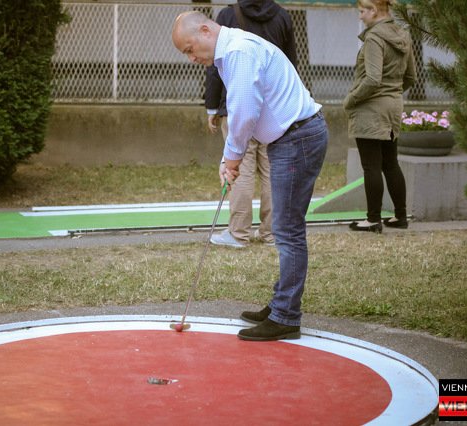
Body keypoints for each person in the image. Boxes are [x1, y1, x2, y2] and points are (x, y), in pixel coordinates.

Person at [172, 11, 328, 341]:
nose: (191, 58)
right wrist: (230, 158)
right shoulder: (230, 53)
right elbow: (243, 111)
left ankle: (286, 316)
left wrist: (232, 159)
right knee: (286, 227)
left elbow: (244, 113)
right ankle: (281, 304)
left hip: (297, 138)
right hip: (292, 137)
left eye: (190, 49)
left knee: (287, 229)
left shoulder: (238, 52)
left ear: (205, 30)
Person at [205, 0, 297, 248]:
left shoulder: (227, 15)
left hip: (237, 105)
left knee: (240, 169)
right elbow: (291, 62)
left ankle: (238, 232)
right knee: (272, 171)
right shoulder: (282, 16)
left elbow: (214, 64)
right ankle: (272, 233)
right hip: (274, 110)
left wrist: (212, 105)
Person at [343, 0, 415, 233]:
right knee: (390, 163)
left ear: (374, 11)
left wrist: (351, 99)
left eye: (362, 11)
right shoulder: (403, 35)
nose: (360, 16)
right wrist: (392, 93)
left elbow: (373, 79)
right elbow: (411, 77)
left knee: (371, 166)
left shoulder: (374, 37)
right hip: (393, 106)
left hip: (370, 109)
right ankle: (400, 217)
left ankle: (373, 219)